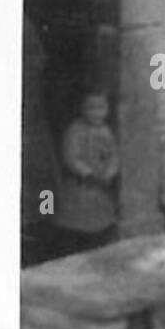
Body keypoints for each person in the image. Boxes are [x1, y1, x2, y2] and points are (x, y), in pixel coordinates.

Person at [56, 90, 119, 256]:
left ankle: (98, 244)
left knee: (100, 220)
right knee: (79, 220)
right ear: (83, 109)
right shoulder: (75, 130)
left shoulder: (106, 130)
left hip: (101, 185)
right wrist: (88, 173)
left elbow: (113, 154)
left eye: (101, 108)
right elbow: (71, 156)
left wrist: (110, 171)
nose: (97, 113)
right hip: (81, 184)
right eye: (91, 108)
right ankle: (78, 247)